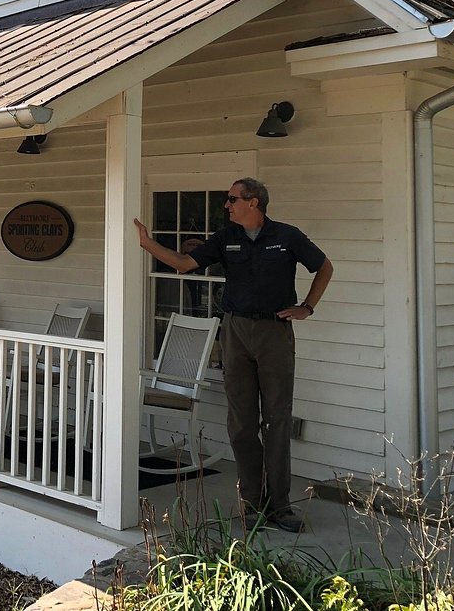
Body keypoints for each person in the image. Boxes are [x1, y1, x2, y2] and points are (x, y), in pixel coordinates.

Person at [134, 177, 333, 533]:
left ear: (253, 202)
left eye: (232, 199)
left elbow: (324, 266)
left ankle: (281, 505)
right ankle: (252, 504)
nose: (227, 205)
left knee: (277, 420)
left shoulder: (287, 237)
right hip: (235, 331)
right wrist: (148, 244)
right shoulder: (226, 239)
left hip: (274, 331)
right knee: (241, 424)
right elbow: (184, 264)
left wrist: (307, 307)